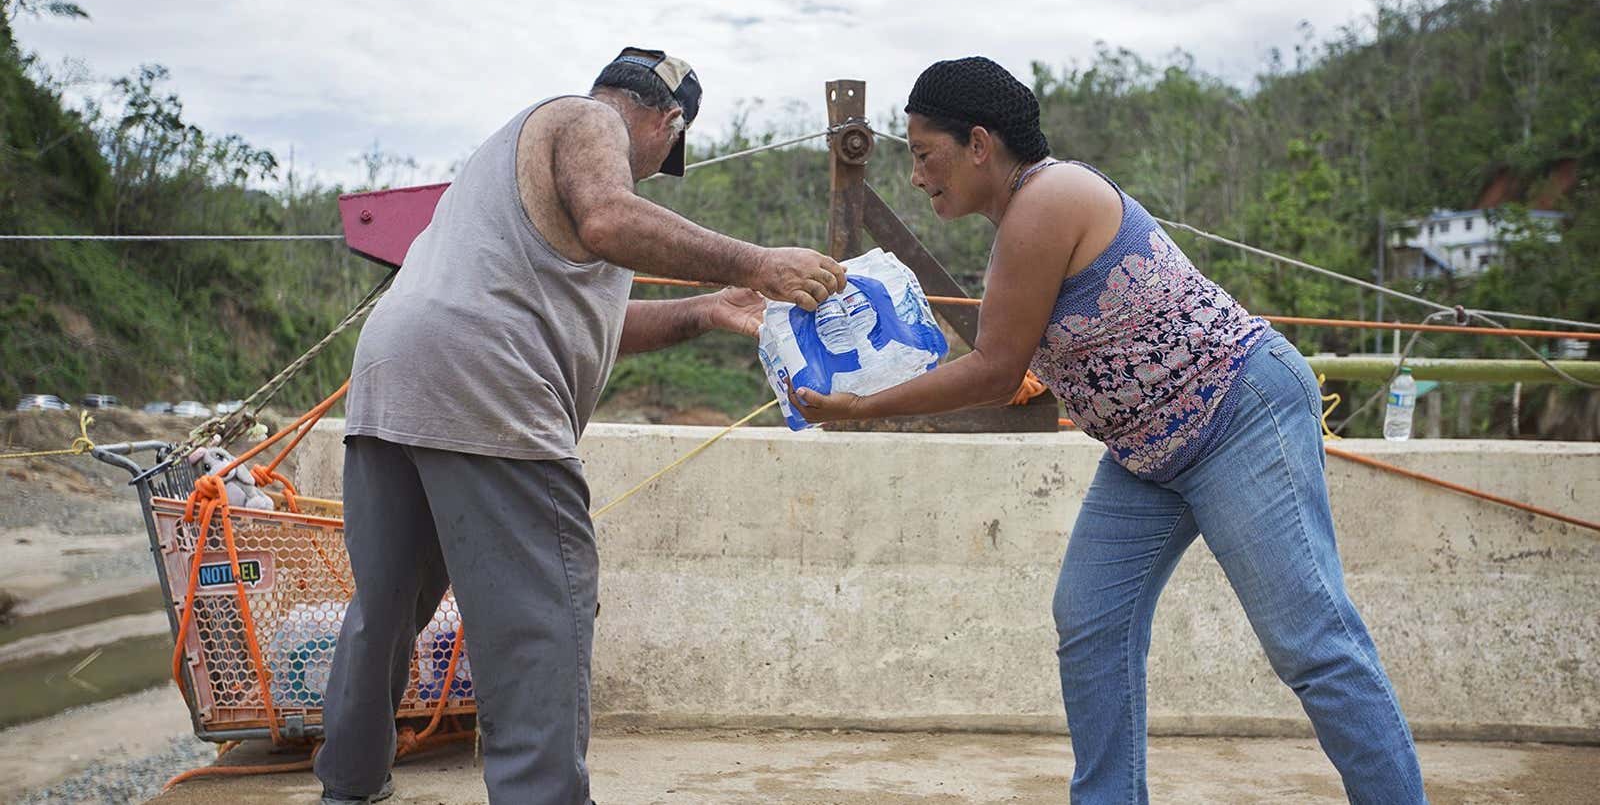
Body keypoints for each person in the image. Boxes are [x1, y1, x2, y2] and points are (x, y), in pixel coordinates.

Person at [789, 56, 1426, 804]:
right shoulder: (1021, 221)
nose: (918, 176)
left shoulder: (1049, 198)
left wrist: (862, 409)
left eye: (925, 155)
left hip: (1238, 415)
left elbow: (994, 369)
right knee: (1090, 619)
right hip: (1149, 450)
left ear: (980, 145)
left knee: (1311, 643)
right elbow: (1028, 348)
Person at [314, 47, 846, 805]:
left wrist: (705, 308)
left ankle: (350, 786)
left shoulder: (504, 168)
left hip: (391, 381)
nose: (654, 167)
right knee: (541, 620)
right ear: (668, 121)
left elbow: (584, 321)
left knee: (387, 606)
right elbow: (608, 218)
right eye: (668, 153)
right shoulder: (587, 119)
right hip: (486, 384)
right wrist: (760, 262)